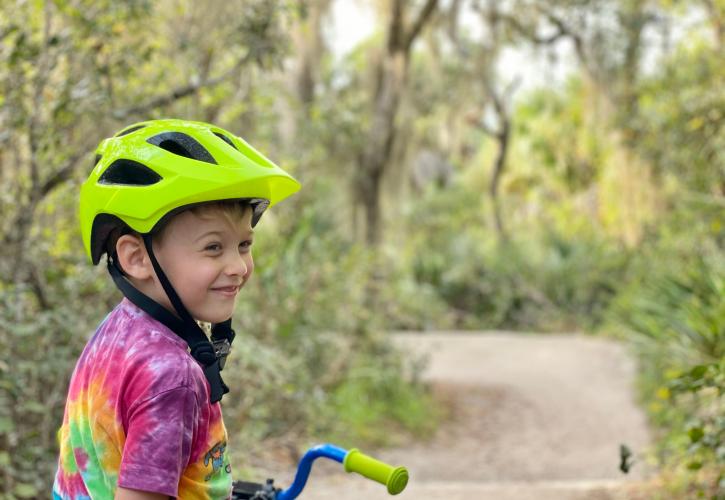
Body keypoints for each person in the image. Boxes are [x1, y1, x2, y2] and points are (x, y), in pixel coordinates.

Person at [52, 119, 300, 500]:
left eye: (244, 245)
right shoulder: (172, 376)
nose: (237, 266)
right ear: (137, 258)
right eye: (213, 247)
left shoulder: (118, 332)